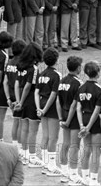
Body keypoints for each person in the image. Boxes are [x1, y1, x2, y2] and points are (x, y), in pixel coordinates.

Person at [35, 47, 61, 175]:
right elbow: (53, 94)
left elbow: (36, 92)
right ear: (56, 60)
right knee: (53, 137)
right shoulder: (57, 75)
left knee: (45, 135)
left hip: (41, 105)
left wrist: (38, 108)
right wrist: (45, 110)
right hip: (51, 108)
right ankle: (51, 166)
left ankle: (45, 164)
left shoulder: (41, 74)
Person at [77, 61, 101, 186]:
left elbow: (78, 108)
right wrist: (88, 127)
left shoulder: (81, 88)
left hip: (84, 118)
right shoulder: (100, 90)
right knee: (96, 151)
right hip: (95, 122)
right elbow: (97, 110)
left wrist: (82, 125)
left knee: (86, 149)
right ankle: (93, 180)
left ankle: (84, 178)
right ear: (97, 73)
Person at [58, 56, 83, 184]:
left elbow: (58, 101)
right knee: (75, 145)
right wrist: (68, 120)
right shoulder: (78, 83)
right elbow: (75, 105)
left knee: (65, 144)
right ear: (78, 68)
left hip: (63, 113)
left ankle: (64, 172)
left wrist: (61, 117)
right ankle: (73, 173)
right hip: (73, 118)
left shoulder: (62, 81)